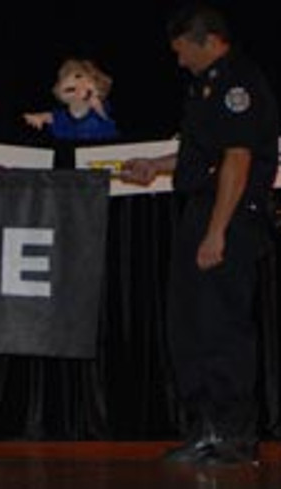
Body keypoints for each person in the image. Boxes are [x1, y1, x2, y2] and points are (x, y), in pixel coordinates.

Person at [120, 3, 278, 467]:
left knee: (221, 326)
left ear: (207, 40)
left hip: (229, 216)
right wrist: (155, 166)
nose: (179, 59)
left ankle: (233, 435)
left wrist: (217, 233)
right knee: (190, 323)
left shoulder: (238, 84)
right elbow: (198, 153)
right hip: (203, 211)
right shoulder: (205, 85)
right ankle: (206, 426)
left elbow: (237, 160)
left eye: (182, 49)